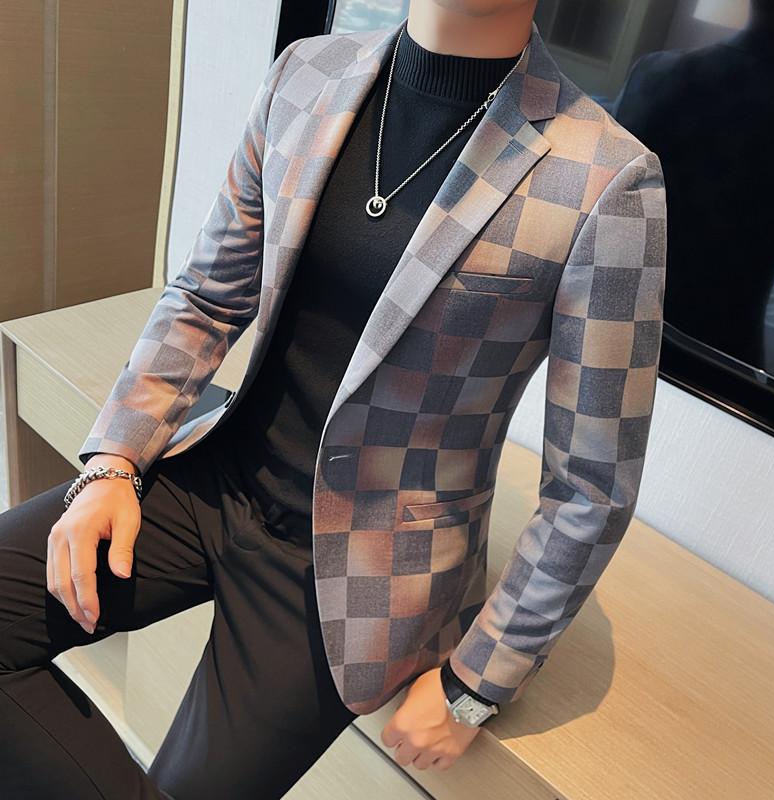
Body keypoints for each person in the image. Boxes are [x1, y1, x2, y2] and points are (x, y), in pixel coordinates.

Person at [0, 1, 667, 797]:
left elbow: (592, 483)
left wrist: (476, 684)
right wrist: (113, 462)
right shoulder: (306, 74)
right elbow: (207, 295)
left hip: (360, 567)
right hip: (216, 476)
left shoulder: (607, 177)